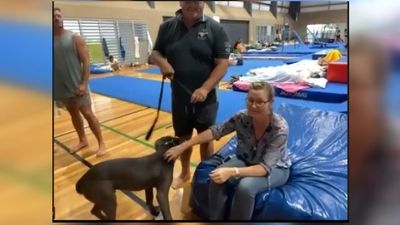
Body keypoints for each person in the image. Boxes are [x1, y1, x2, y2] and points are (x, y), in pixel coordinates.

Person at [165, 82, 292, 219]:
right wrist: (183, 146)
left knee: (245, 187)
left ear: (270, 102)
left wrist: (232, 171)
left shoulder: (279, 128)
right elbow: (215, 131)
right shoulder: (241, 117)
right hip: (246, 159)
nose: (253, 105)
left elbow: (265, 168)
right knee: (217, 176)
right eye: (250, 100)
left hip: (275, 168)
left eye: (260, 102)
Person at [149, 1, 230, 189]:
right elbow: (156, 52)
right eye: (188, 1)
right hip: (179, 97)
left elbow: (223, 64)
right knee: (183, 138)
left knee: (205, 138)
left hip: (206, 99)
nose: (193, 5)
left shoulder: (215, 29)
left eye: (198, 1)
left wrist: (205, 88)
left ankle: (204, 176)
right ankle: (185, 173)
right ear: (180, 2)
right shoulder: (166, 27)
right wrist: (162, 63)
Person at [53, 7, 106, 157]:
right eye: (54, 16)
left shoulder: (75, 38)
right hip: (60, 87)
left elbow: (86, 62)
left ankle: (101, 143)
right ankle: (83, 140)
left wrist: (83, 84)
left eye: (59, 15)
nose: (57, 18)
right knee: (73, 114)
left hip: (77, 86)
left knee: (88, 113)